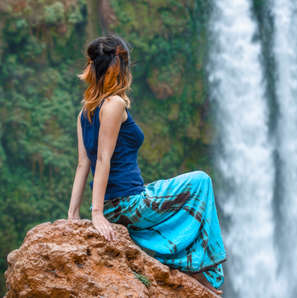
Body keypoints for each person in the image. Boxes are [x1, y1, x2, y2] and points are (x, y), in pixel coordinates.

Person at [67, 34, 226, 295]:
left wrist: (73, 215)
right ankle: (200, 269)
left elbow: (83, 164)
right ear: (118, 68)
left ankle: (193, 267)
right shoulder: (114, 104)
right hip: (129, 204)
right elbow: (103, 160)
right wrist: (95, 215)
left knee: (172, 189)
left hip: (116, 205)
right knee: (201, 181)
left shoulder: (84, 112)